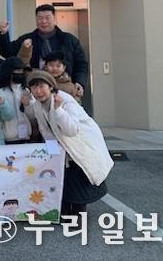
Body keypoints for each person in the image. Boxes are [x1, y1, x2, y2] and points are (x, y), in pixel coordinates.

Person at [25, 70, 112, 217]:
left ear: (50, 87)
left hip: (81, 143)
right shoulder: (38, 105)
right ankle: (65, 212)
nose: (38, 91)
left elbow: (72, 130)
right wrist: (54, 154)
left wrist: (58, 110)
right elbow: (45, 131)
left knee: (80, 179)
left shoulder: (65, 101)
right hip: (64, 147)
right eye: (34, 87)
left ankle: (78, 216)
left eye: (41, 86)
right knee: (65, 178)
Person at [0, 4, 89, 97]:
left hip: (64, 89)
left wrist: (79, 82)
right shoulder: (27, 39)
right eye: (40, 18)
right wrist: (4, 34)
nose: (44, 21)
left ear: (54, 18)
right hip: (35, 90)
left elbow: (81, 64)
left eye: (47, 18)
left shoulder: (69, 40)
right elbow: (7, 53)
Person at [0, 57, 33, 144]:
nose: (20, 73)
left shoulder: (27, 91)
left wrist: (27, 105)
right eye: (17, 70)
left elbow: (34, 115)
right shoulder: (0, 92)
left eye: (21, 70)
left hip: (26, 136)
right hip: (7, 138)